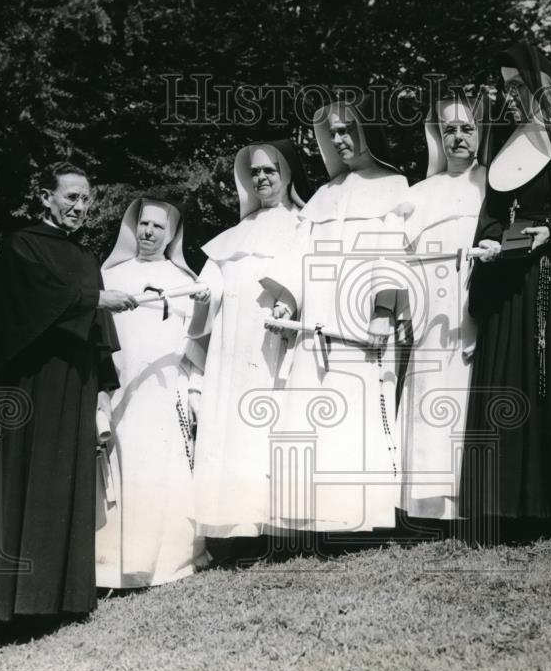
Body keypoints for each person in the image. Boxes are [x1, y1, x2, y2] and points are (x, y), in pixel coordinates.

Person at [0, 162, 135, 644]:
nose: (79, 207)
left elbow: (93, 332)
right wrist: (96, 299)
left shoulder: (86, 256)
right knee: (14, 488)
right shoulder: (21, 244)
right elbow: (34, 306)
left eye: (85, 199)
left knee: (59, 489)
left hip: (73, 386)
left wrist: (102, 389)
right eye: (70, 197)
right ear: (46, 198)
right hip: (28, 389)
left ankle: (56, 601)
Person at [459, 42, 551, 538]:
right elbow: (492, 215)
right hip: (507, 283)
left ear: (545, 83)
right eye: (506, 88)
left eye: (520, 85)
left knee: (550, 382)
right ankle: (504, 508)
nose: (512, 96)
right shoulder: (506, 141)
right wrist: (487, 241)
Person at [265, 101, 409, 534]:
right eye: (333, 133)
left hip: (362, 318)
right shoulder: (324, 196)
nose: (340, 139)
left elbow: (394, 251)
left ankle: (363, 519)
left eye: (348, 130)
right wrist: (287, 302)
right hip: (318, 321)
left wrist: (383, 309)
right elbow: (301, 257)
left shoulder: (394, 184)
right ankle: (316, 518)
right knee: (315, 410)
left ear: (367, 130)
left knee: (360, 408)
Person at [188, 140, 310, 552]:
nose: (261, 178)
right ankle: (230, 528)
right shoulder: (235, 233)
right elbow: (211, 281)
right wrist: (206, 293)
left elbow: (305, 273)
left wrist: (288, 300)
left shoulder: (302, 224)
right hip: (229, 346)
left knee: (266, 426)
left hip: (270, 342)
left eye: (269, 171)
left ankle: (272, 529)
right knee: (228, 428)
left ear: (287, 174)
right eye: (254, 172)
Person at [381, 92, 494, 521]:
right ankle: (428, 507)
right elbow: (401, 260)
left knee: (469, 392)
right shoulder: (419, 193)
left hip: (474, 305)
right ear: (437, 137)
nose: (458, 138)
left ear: (480, 133)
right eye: (449, 130)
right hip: (430, 315)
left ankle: (472, 501)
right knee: (430, 395)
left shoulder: (492, 184)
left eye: (467, 128)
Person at [94, 198, 207, 588]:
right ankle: (111, 567)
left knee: (162, 468)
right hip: (121, 385)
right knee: (118, 469)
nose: (148, 232)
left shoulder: (184, 279)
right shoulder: (110, 276)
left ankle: (169, 563)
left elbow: (194, 340)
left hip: (163, 389)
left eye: (158, 227)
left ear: (172, 233)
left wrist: (192, 387)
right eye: (143, 224)